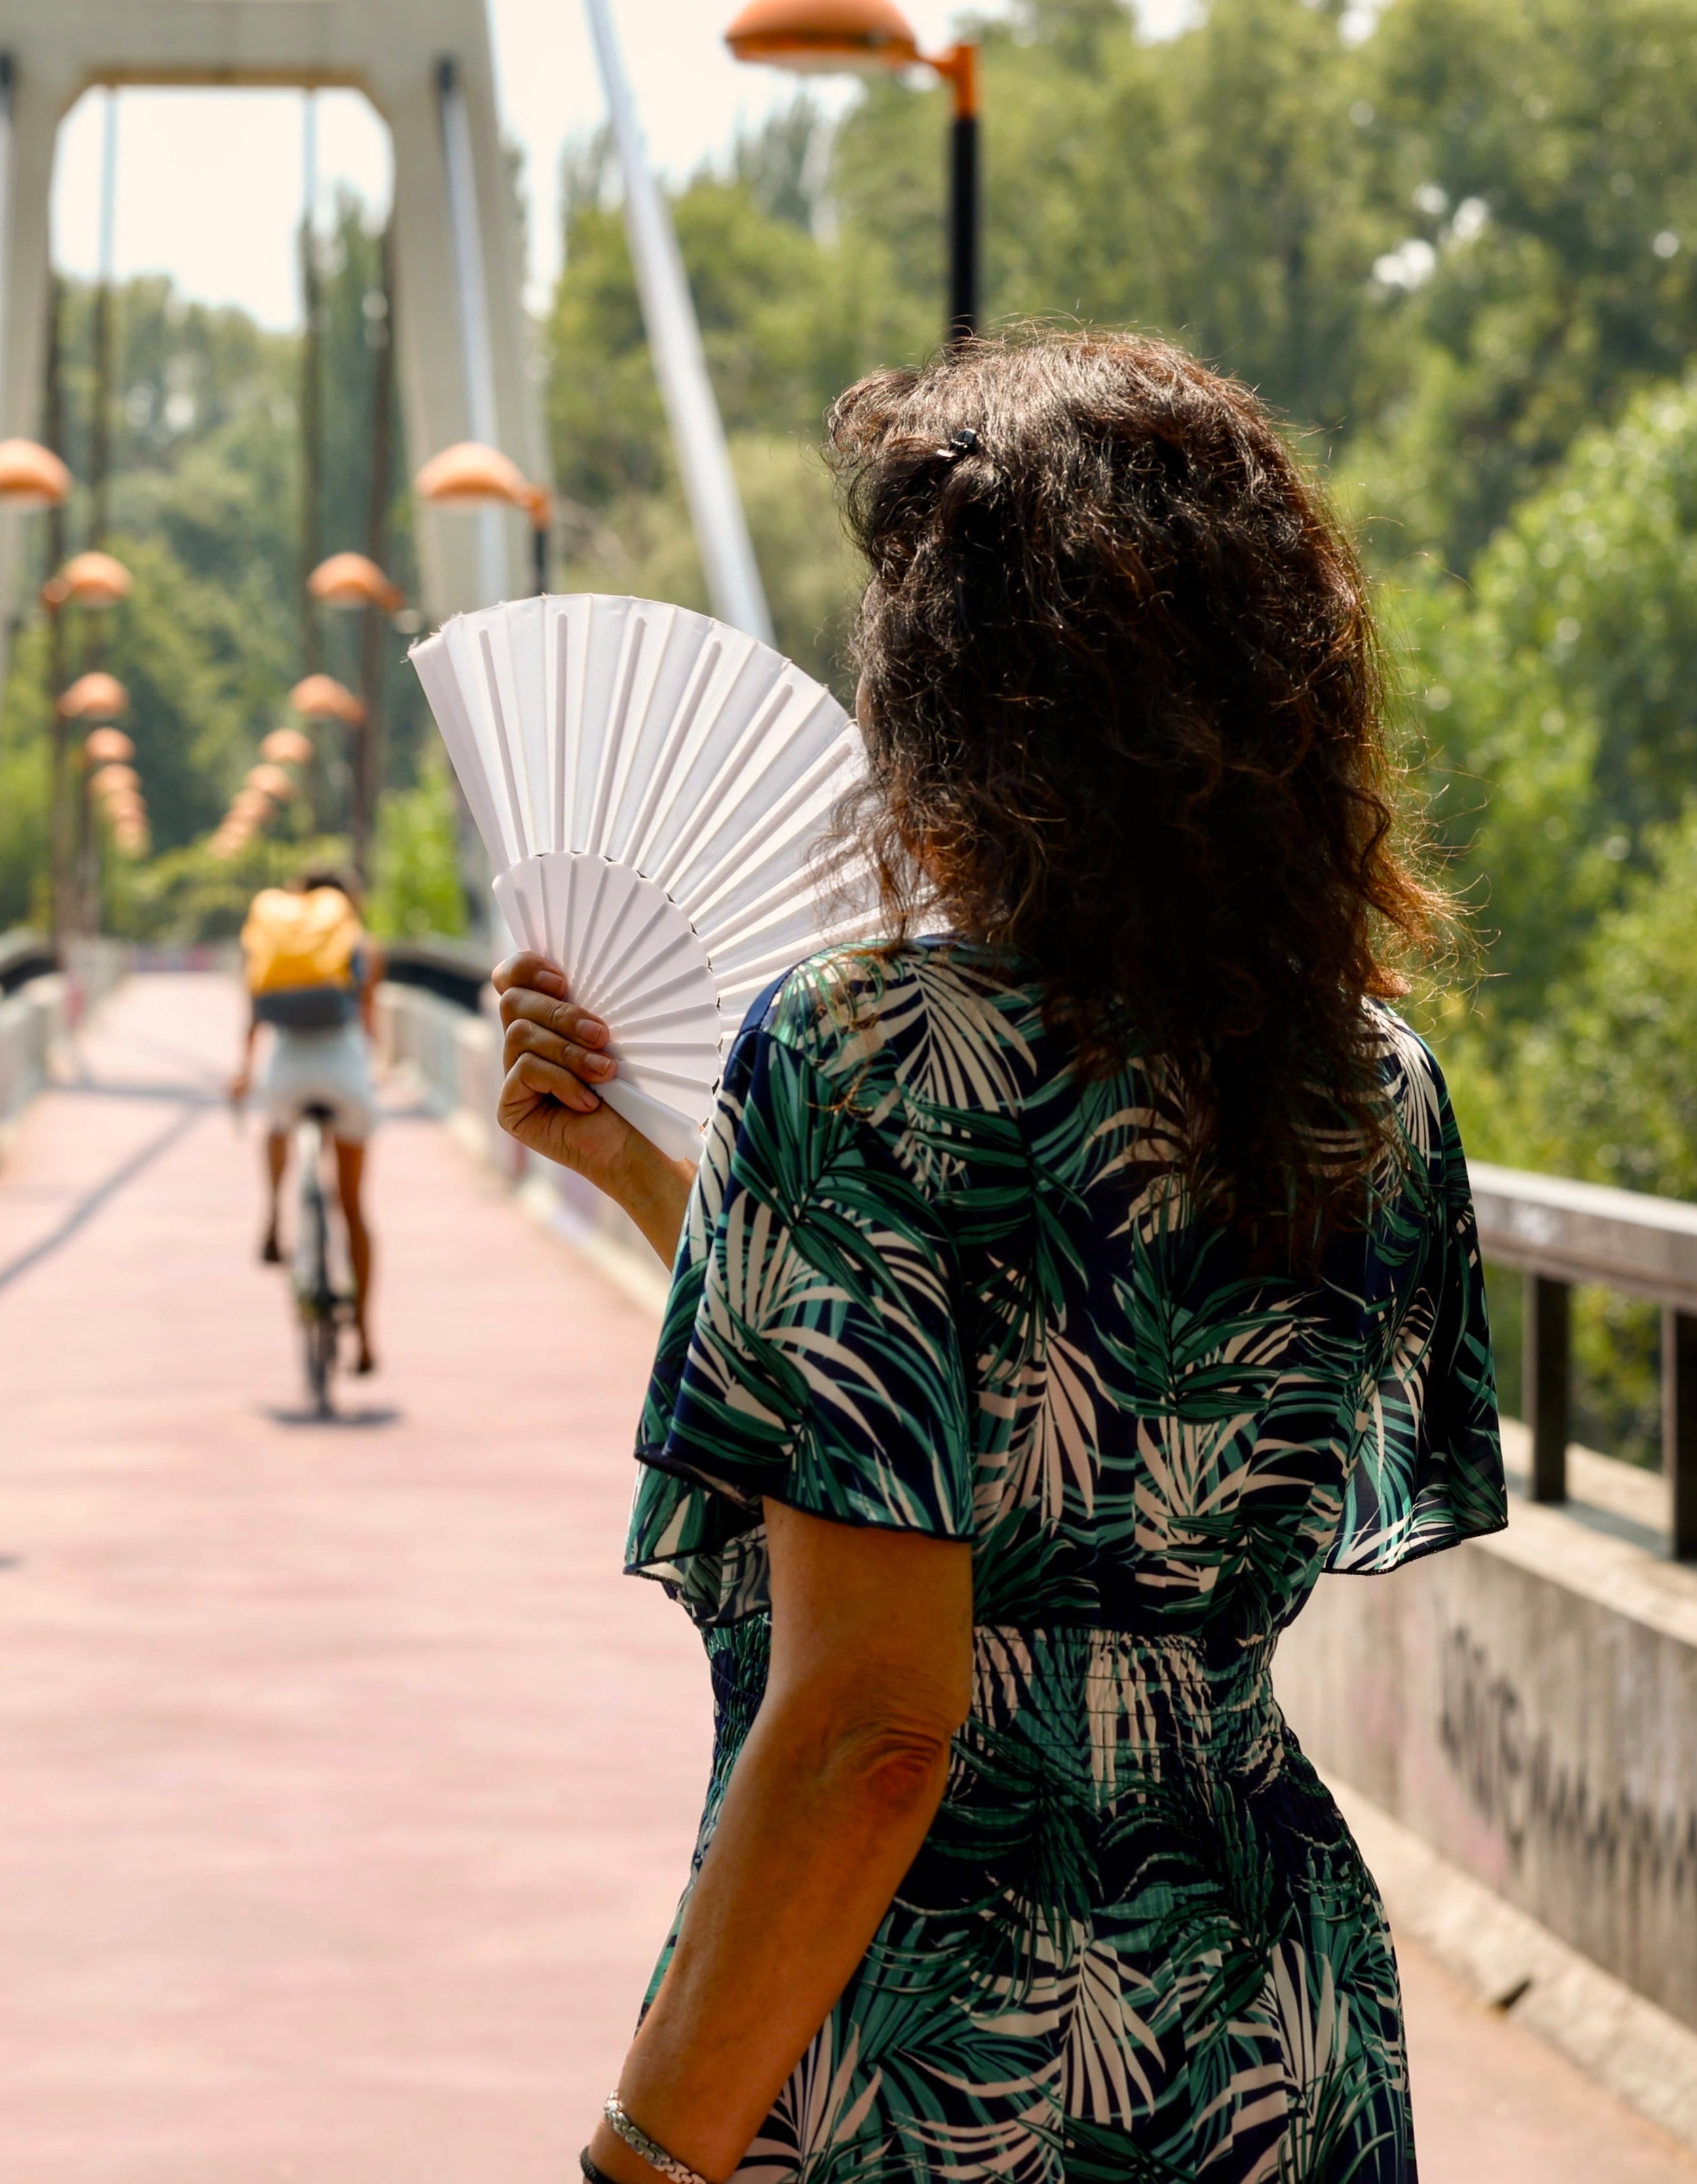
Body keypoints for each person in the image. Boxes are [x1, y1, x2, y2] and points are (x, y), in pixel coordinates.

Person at [496, 332, 1506, 2184]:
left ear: (971, 701)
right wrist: (665, 1186)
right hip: (1270, 2004)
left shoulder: (860, 1052)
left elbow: (883, 1722)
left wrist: (650, 2147)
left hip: (945, 2031)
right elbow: (1009, 1377)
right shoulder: (1367, 1080)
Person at [232, 865, 383, 1374]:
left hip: (287, 1069)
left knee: (276, 1126)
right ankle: (363, 1337)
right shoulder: (360, 942)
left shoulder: (275, 937)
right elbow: (369, 1020)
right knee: (353, 1205)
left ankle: (275, 1215)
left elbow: (254, 1008)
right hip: (343, 1069)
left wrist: (242, 1070)